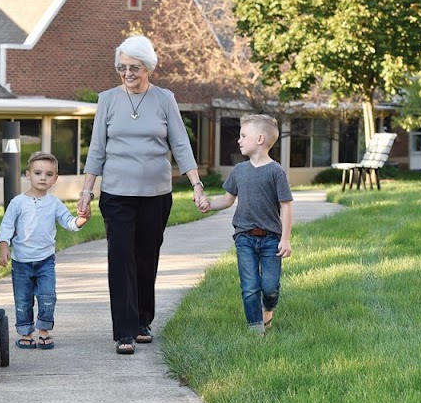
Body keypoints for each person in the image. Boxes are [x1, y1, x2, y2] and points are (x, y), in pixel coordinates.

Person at [77, 35, 207, 355]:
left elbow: (180, 144)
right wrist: (85, 190)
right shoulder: (107, 99)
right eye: (122, 68)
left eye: (134, 67)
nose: (127, 73)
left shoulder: (164, 99)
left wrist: (196, 184)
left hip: (156, 193)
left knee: (146, 258)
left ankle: (142, 321)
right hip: (117, 194)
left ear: (148, 66)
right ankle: (124, 330)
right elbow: (97, 149)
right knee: (120, 258)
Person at [198, 114, 293, 336]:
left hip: (271, 239)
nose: (239, 140)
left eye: (243, 135)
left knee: (270, 287)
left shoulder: (276, 172)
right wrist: (209, 205)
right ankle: (255, 329)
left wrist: (285, 239)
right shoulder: (239, 171)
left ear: (259, 139)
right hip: (244, 238)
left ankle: (268, 309)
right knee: (250, 286)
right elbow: (228, 199)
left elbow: (286, 206)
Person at [0, 151, 89, 349]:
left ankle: (44, 330)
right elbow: (6, 226)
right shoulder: (18, 202)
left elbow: (69, 222)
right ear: (28, 175)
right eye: (38, 173)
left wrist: (81, 219)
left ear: (55, 179)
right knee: (22, 299)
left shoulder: (54, 203)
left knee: (47, 296)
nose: (43, 178)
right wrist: (3, 245)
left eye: (48, 175)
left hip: (46, 260)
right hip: (21, 261)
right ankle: (26, 333)